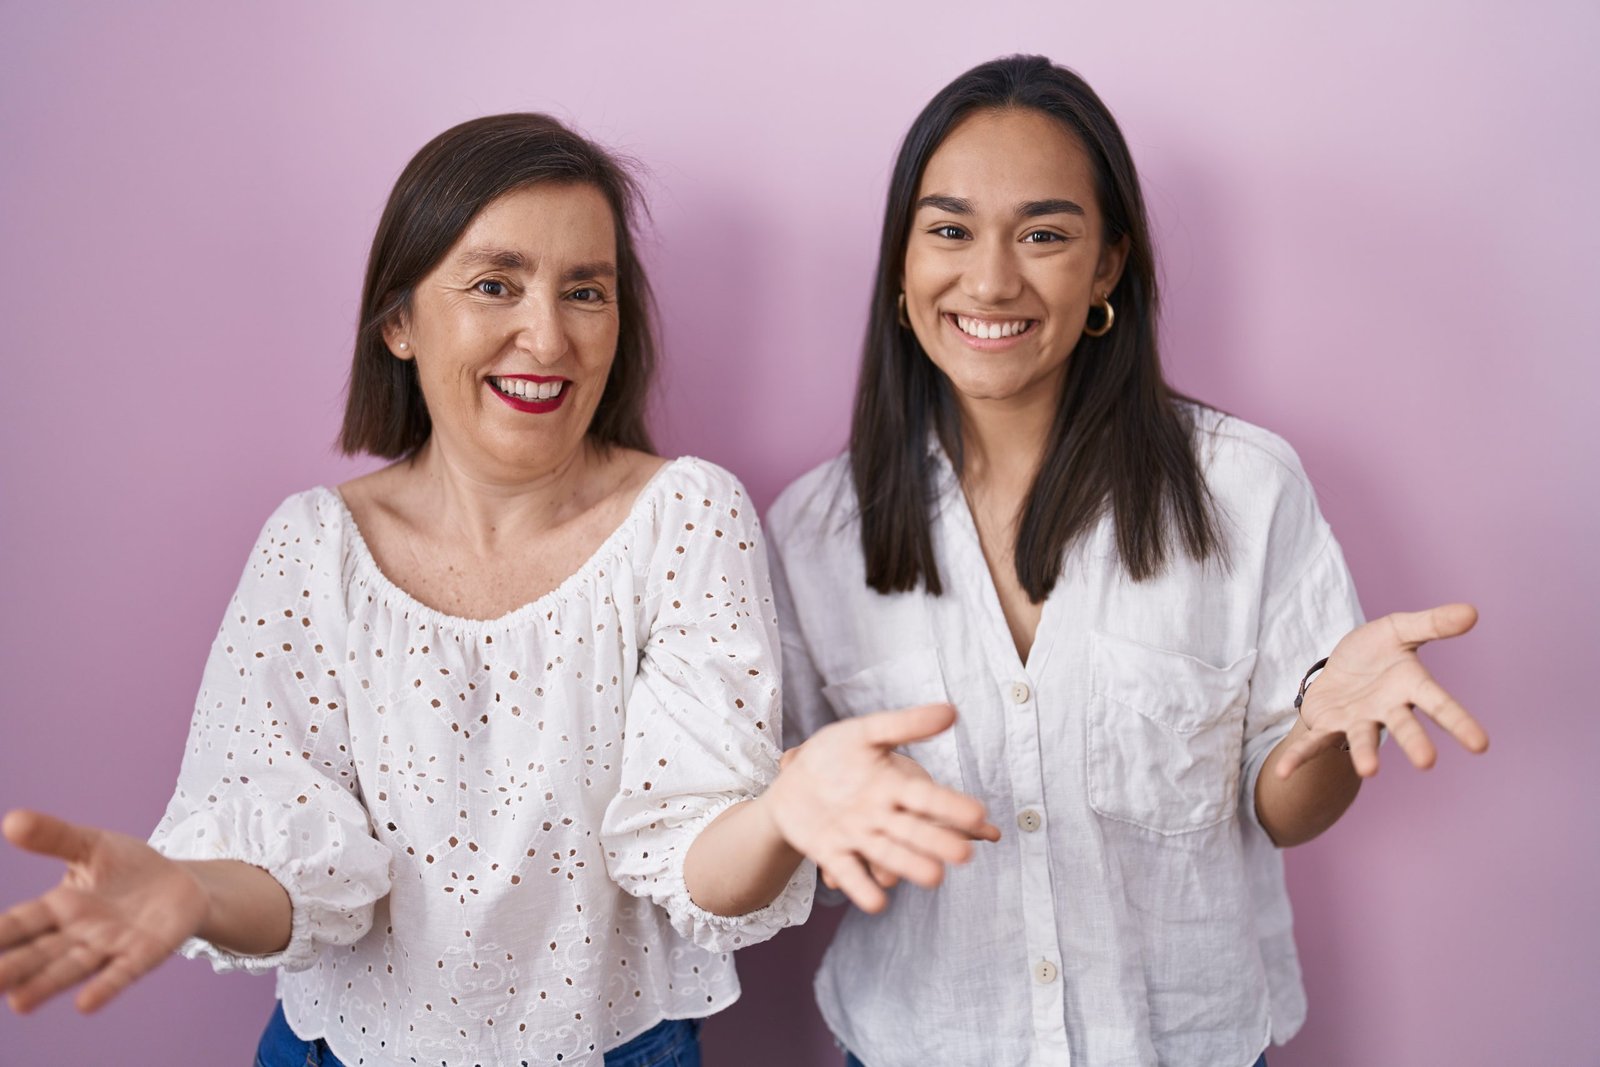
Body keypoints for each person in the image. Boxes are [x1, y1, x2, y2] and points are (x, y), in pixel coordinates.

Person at [0, 113, 995, 1067]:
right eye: (495, 284)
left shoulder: (686, 518)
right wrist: (189, 887)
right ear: (399, 320)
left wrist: (781, 809)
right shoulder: (315, 549)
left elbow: (695, 863)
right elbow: (301, 876)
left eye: (586, 291)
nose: (548, 337)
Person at [766, 55, 1490, 1067]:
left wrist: (1319, 735)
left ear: (1107, 265)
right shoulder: (810, 530)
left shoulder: (1244, 487)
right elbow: (801, 836)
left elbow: (1281, 807)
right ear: (898, 262)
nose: (990, 279)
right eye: (949, 229)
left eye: (1046, 235)